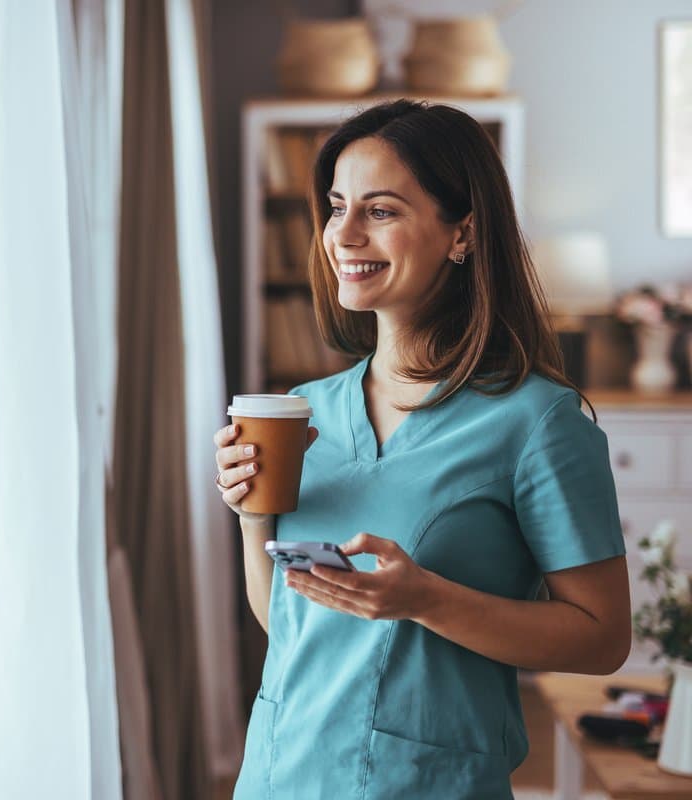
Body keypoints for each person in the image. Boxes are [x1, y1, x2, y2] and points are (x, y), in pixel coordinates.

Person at [213, 99, 631, 799]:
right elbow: (293, 620)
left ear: (461, 234)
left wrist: (424, 600)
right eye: (336, 206)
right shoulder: (304, 411)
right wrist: (252, 516)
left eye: (379, 210)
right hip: (280, 775)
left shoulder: (537, 421)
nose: (343, 233)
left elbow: (602, 637)